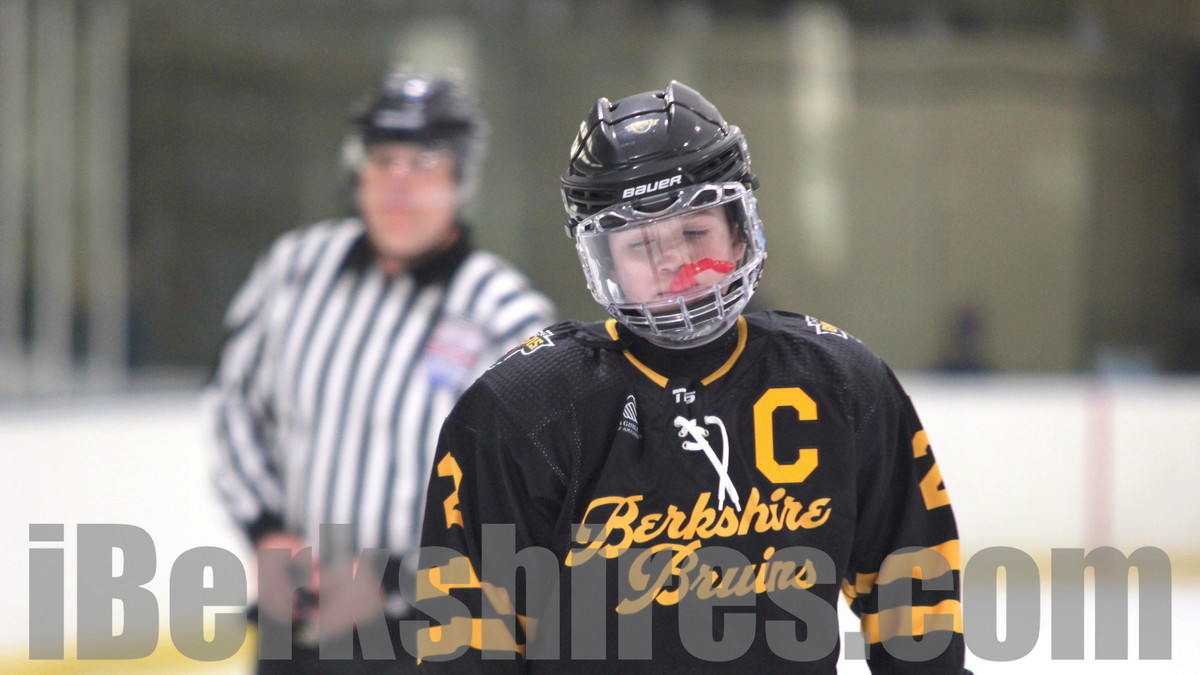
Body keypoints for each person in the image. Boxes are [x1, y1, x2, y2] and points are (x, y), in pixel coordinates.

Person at [413, 81, 968, 672]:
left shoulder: (843, 383)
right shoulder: (522, 408)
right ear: (605, 262)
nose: (673, 261)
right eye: (639, 244)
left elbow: (916, 597)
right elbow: (465, 637)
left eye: (694, 232)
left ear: (739, 229)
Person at [206, 70, 554, 672]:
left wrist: (401, 574)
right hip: (300, 619)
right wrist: (267, 532)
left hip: (434, 634)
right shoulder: (297, 268)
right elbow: (234, 404)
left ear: (461, 180)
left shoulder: (506, 313)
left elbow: (529, 490)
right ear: (357, 171)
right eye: (383, 160)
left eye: (423, 163)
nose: (398, 184)